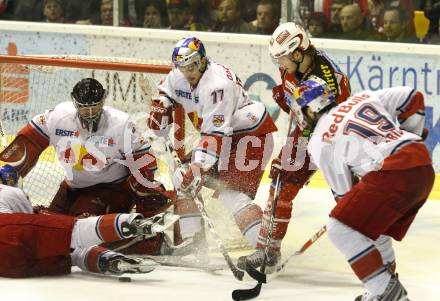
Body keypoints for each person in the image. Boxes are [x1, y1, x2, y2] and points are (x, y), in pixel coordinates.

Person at [287, 78, 433, 301]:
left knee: (340, 228)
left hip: (393, 172)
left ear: (309, 109)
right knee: (375, 229)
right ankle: (381, 289)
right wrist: (408, 133)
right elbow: (413, 97)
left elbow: (344, 196)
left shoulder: (319, 141)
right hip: (421, 163)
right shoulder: (362, 98)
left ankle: (386, 291)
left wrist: (352, 203)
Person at [0, 78, 172, 255]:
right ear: (75, 103)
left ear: (103, 101)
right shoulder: (58, 117)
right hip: (72, 188)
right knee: (48, 230)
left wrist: (136, 185)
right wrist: (6, 170)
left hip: (110, 190)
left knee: (79, 237)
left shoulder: (121, 124)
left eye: (94, 107)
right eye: (84, 107)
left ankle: (147, 242)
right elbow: (27, 143)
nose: (89, 113)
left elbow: (144, 158)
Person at [237, 22, 351, 270]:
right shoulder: (296, 63)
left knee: (350, 200)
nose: (280, 65)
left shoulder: (325, 81)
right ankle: (268, 250)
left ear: (298, 53)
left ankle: (374, 257)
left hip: (333, 139)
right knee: (281, 180)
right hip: (307, 132)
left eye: (282, 59)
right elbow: (297, 106)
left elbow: (326, 127)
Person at [147, 37, 277, 250]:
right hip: (225, 138)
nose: (187, 72)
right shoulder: (178, 75)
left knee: (232, 196)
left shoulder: (217, 86)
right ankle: (193, 244)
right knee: (183, 180)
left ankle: (267, 251)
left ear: (202, 59)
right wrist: (161, 106)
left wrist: (198, 168)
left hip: (251, 136)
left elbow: (214, 137)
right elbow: (166, 91)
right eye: (182, 67)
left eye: (192, 66)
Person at [0, 164, 179, 278]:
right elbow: (27, 230)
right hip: (7, 235)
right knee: (73, 234)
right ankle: (132, 225)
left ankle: (107, 260)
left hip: (6, 265)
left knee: (64, 254)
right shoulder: (11, 192)